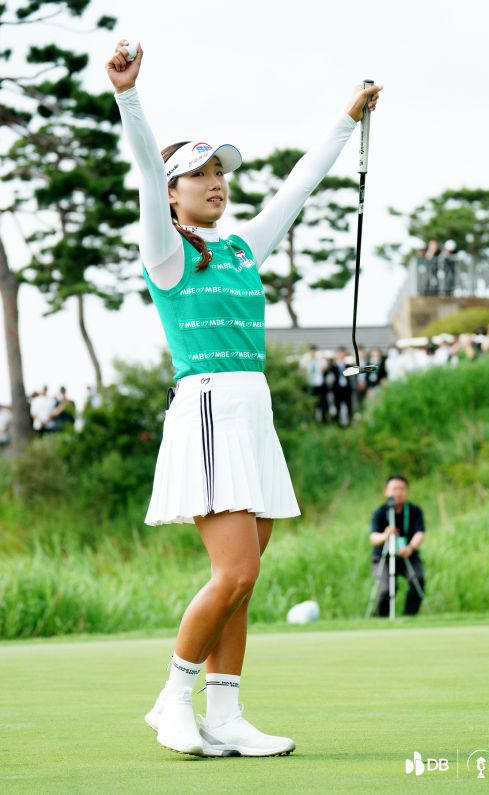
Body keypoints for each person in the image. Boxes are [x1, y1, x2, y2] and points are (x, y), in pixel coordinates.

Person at [106, 39, 382, 757]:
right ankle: (173, 700)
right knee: (235, 571)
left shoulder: (238, 250)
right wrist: (129, 96)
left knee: (242, 584)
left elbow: (298, 187)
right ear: (173, 193)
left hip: (253, 412)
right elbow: (145, 169)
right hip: (206, 409)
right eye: (199, 174)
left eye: (220, 173)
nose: (215, 183)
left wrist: (347, 120)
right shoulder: (166, 252)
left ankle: (225, 713)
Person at [369, 475, 426, 617]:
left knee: (417, 580)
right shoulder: (380, 512)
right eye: (394, 489)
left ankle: (409, 616)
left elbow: (420, 533)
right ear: (386, 491)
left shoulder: (414, 511)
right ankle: (382, 619)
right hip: (384, 556)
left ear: (407, 491)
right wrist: (385, 535)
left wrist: (410, 548)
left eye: (402, 489)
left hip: (407, 554)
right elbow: (373, 538)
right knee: (386, 589)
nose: (398, 492)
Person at [300, 345, 328, 422]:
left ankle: (321, 419)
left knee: (320, 402)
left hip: (318, 383)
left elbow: (325, 368)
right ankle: (309, 419)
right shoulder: (305, 358)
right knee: (309, 402)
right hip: (309, 383)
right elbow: (302, 369)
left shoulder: (320, 358)